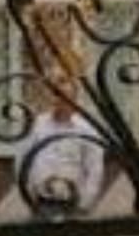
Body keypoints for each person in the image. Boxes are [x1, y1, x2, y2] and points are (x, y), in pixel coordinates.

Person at [19, 81, 103, 220]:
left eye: (66, 97)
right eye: (57, 95)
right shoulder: (38, 125)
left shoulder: (86, 130)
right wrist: (29, 196)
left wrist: (83, 205)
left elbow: (95, 169)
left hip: (73, 204)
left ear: (74, 101)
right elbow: (23, 159)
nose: (60, 101)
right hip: (42, 203)